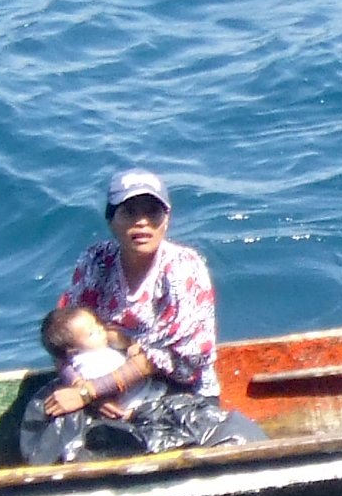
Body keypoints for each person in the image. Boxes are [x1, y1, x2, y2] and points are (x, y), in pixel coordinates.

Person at [48, 168, 266, 452]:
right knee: (50, 418)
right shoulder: (95, 261)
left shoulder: (182, 269)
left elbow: (162, 358)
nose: (142, 223)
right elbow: (63, 337)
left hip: (179, 395)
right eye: (130, 212)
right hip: (105, 388)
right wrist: (82, 387)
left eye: (153, 213)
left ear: (166, 220)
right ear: (110, 220)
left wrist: (90, 391)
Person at [16, 304, 163, 464]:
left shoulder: (87, 351)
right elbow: (61, 356)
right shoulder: (94, 362)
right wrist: (87, 392)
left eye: (98, 324)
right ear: (73, 350)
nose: (101, 329)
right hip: (132, 402)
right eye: (92, 333)